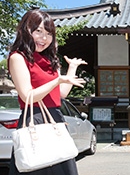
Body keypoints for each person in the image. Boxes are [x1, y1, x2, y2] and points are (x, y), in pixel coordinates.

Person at [8, 9, 87, 175]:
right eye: (39, 31)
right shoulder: (18, 57)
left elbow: (61, 94)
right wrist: (57, 80)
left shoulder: (51, 60)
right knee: (34, 167)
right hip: (34, 120)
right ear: (25, 30)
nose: (44, 38)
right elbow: (27, 95)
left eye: (49, 33)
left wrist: (71, 69)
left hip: (55, 119)